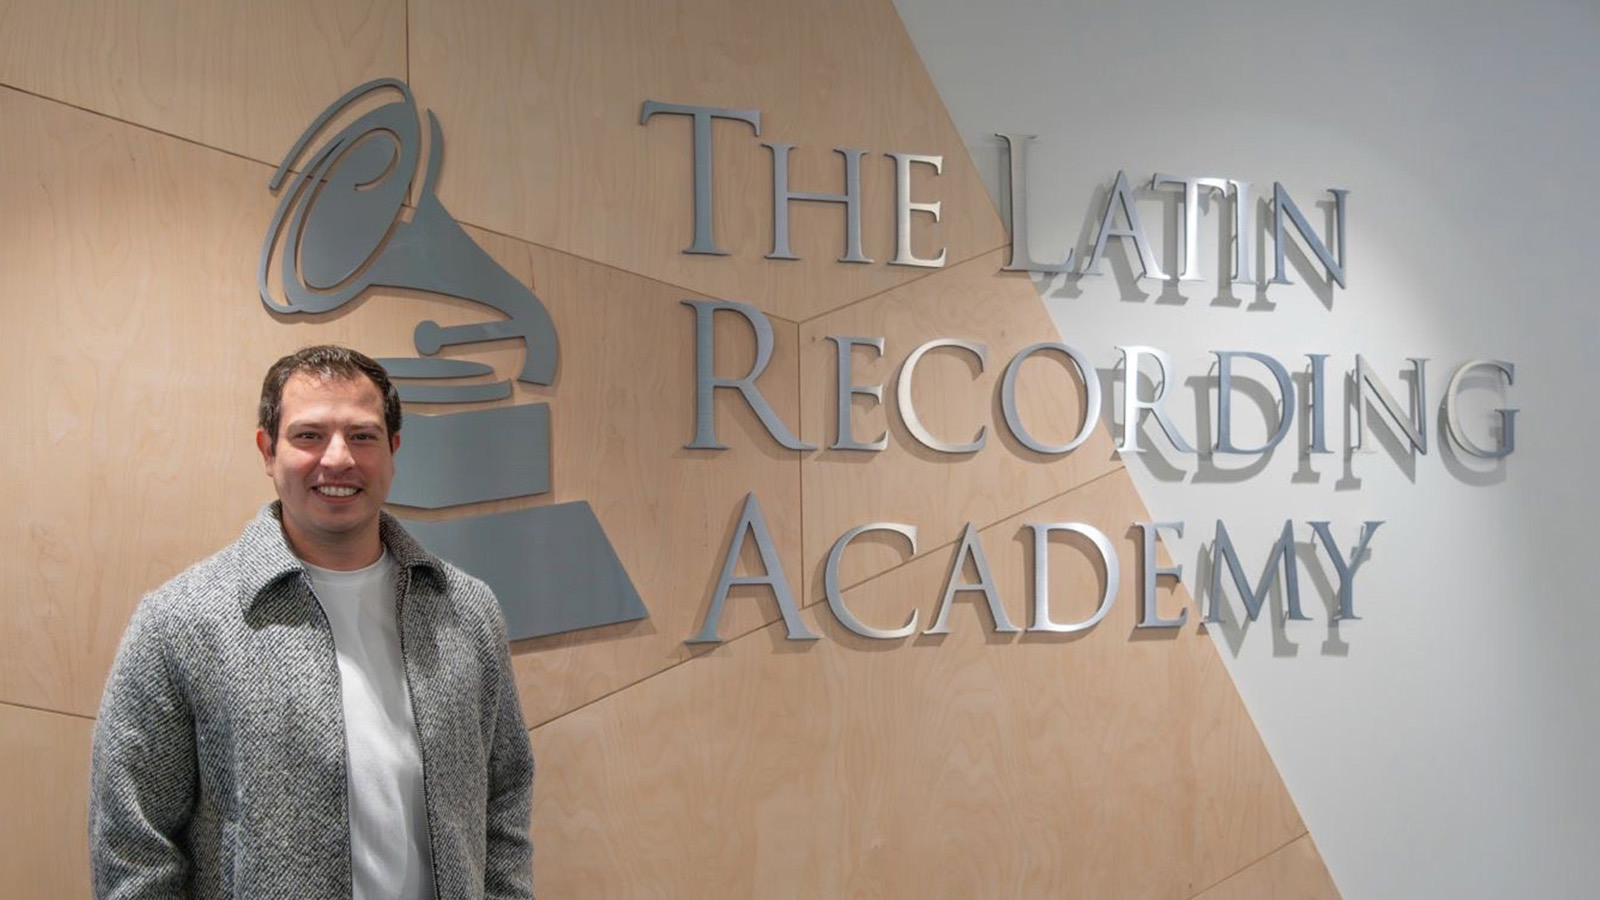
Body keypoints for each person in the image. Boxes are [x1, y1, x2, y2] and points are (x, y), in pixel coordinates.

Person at [89, 345, 534, 899]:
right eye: (309, 436)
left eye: (363, 435)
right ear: (267, 450)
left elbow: (505, 798)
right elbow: (133, 850)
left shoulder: (466, 611)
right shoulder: (180, 623)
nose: (338, 459)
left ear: (394, 450)